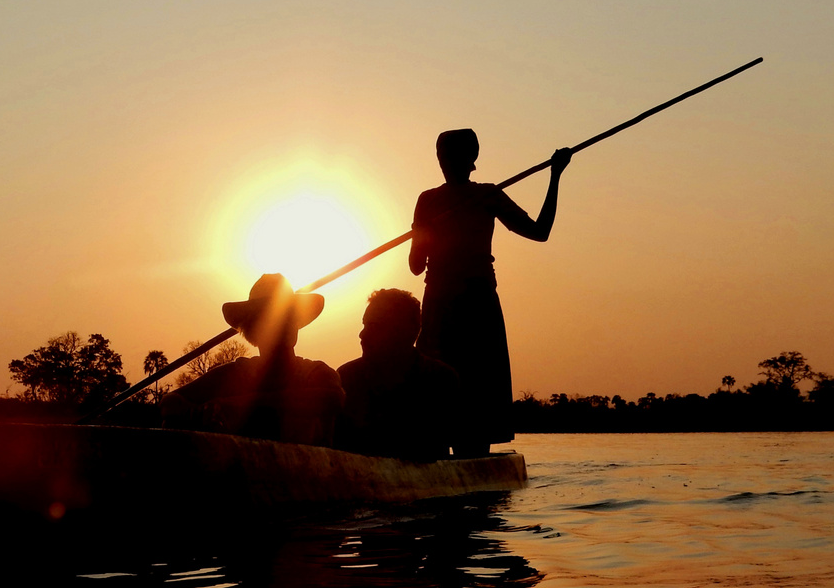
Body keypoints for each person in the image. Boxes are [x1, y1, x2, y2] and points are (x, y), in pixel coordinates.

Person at [410, 129, 571, 455]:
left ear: (470, 160)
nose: (445, 163)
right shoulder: (428, 201)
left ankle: (476, 464)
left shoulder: (487, 195)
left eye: (451, 157)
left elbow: (540, 232)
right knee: (437, 395)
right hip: (440, 309)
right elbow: (415, 266)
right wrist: (422, 231)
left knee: (476, 396)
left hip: (476, 307)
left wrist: (555, 176)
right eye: (442, 156)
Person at [161, 273, 344, 445]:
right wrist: (200, 414)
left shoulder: (317, 373)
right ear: (254, 329)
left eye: (289, 316)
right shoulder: (235, 374)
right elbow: (169, 402)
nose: (285, 325)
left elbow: (331, 399)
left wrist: (238, 404)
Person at [336, 288, 460, 459]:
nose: (362, 334)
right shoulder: (346, 378)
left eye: (374, 326)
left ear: (402, 332)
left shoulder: (440, 381)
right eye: (364, 325)